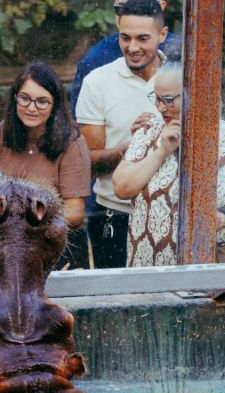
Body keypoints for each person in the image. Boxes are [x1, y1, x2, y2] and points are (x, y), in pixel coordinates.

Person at [114, 62, 225, 265]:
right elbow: (122, 188)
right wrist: (161, 151)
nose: (160, 108)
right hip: (151, 266)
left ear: (195, 95)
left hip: (211, 262)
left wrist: (224, 216)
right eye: (156, 98)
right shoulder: (148, 131)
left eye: (168, 100)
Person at [76, 0, 168, 268]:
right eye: (125, 38)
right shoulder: (97, 82)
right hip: (113, 213)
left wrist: (161, 132)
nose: (133, 47)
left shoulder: (182, 77)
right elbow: (88, 160)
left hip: (171, 212)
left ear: (162, 35)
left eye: (143, 38)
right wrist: (133, 148)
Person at [0, 63, 91, 266]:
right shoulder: (1, 133)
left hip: (55, 244)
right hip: (3, 243)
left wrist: (30, 225)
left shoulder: (72, 141)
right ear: (15, 98)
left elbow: (75, 211)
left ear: (54, 104)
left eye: (42, 102)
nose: (31, 108)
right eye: (25, 98)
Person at [69, 0, 181, 109]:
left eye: (141, 6)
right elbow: (78, 121)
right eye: (122, 8)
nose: (130, 13)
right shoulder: (96, 59)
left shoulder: (186, 52)